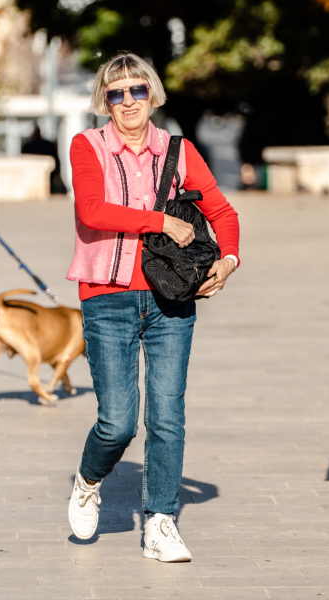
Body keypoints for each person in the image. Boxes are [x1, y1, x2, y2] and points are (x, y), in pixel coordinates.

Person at [65, 53, 240, 562]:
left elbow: (221, 210)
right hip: (107, 296)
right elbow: (91, 210)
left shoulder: (178, 151)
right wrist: (161, 222)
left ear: (153, 94)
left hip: (171, 298)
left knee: (167, 415)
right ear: (105, 100)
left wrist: (227, 261)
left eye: (137, 90)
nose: (127, 102)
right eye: (115, 93)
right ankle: (88, 480)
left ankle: (160, 521)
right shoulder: (88, 146)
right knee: (119, 421)